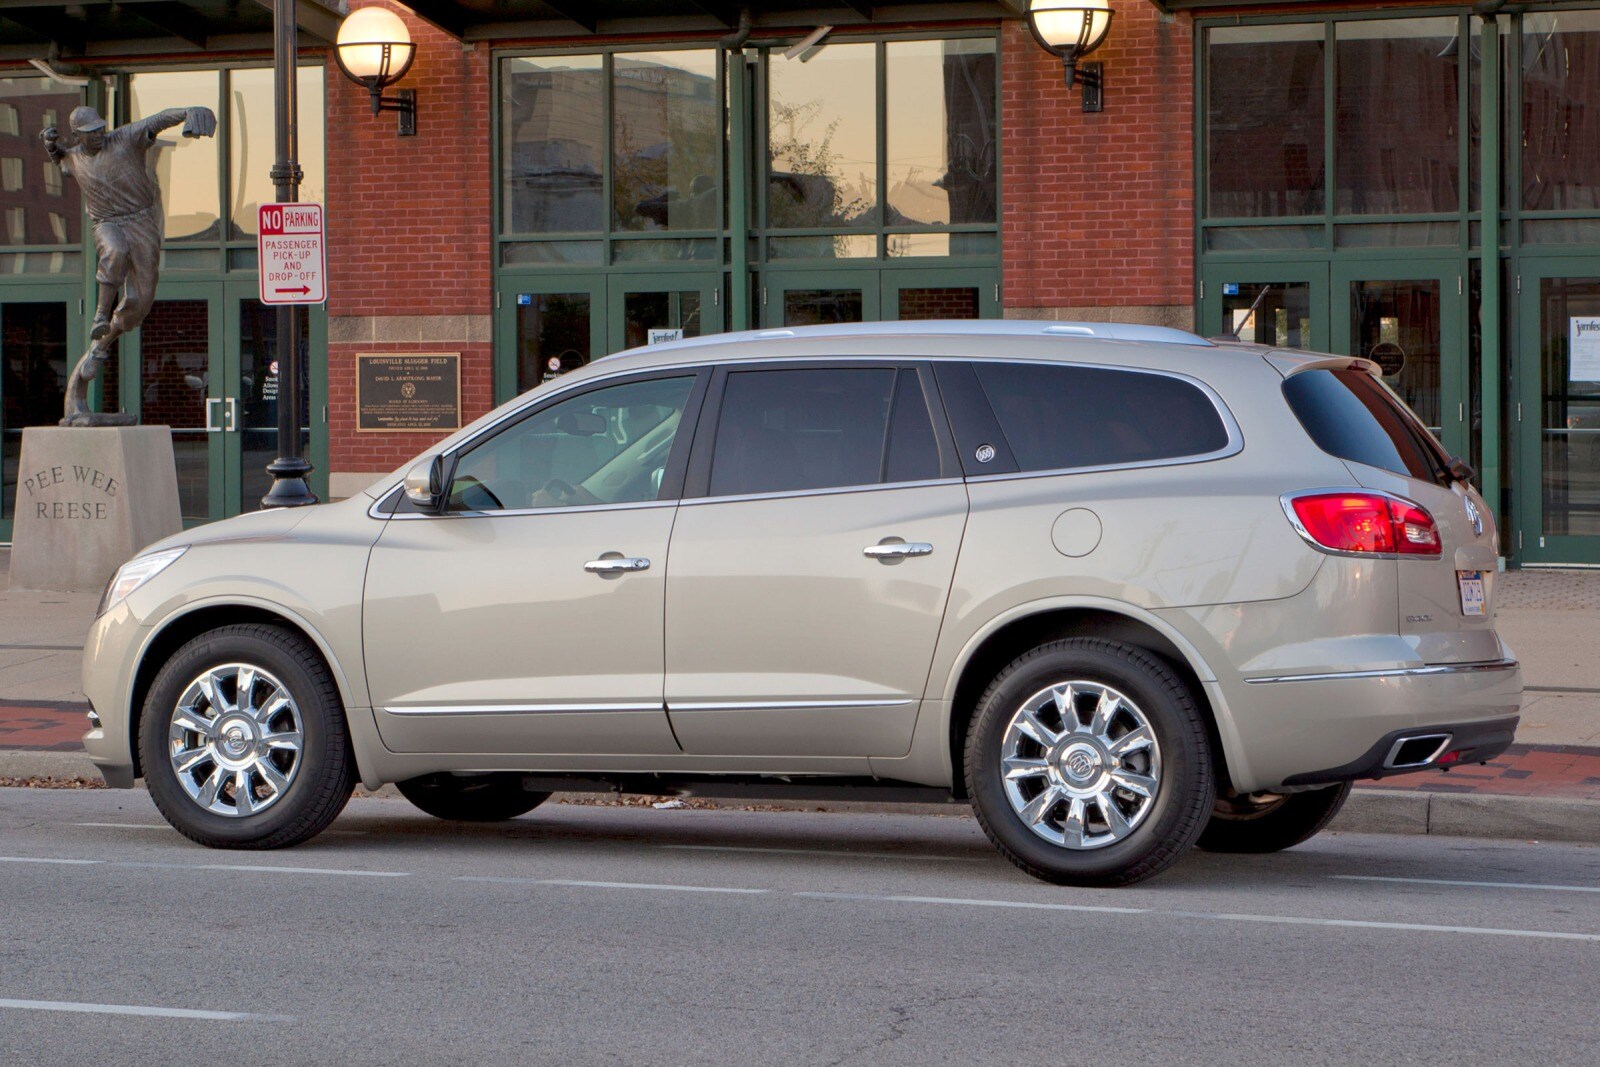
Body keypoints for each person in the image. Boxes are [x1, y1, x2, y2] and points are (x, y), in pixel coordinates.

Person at [42, 103, 216, 425]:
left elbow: (158, 119)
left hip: (142, 222)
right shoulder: (75, 156)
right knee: (114, 251)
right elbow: (59, 158)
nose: (98, 135)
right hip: (107, 222)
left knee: (140, 302)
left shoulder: (124, 139)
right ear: (78, 136)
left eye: (99, 129)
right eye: (90, 133)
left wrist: (188, 112)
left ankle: (100, 345)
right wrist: (51, 145)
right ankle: (99, 314)